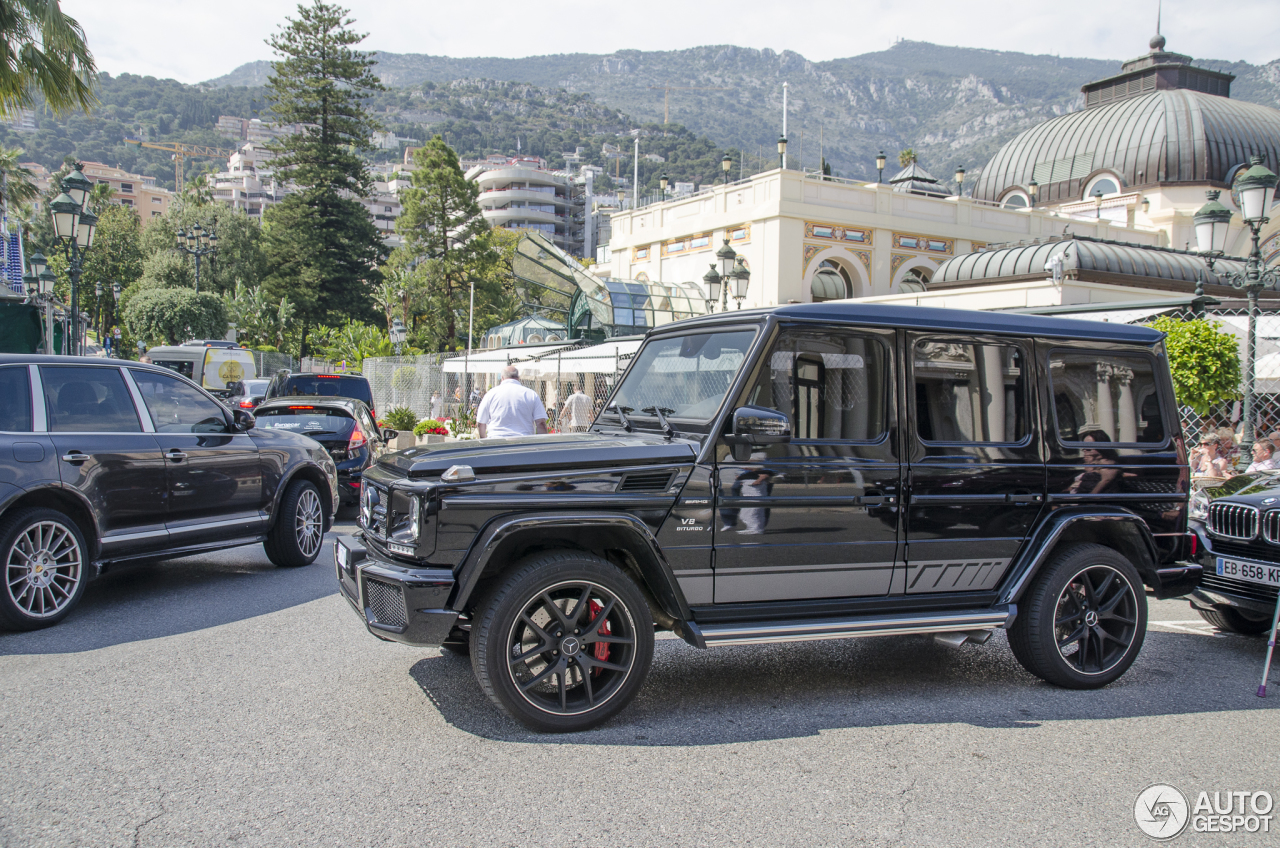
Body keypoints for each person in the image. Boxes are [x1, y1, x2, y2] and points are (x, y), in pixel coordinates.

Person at [475, 365, 547, 439]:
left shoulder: (490, 394)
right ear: (518, 378)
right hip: (524, 441)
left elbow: (480, 423)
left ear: (502, 378)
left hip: (496, 440)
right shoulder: (531, 394)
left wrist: (484, 441)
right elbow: (541, 423)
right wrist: (542, 445)